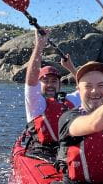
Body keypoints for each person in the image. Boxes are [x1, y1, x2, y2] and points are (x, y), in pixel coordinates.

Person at [23, 29, 78, 160]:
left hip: (68, 153)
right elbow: (31, 79)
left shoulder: (71, 100)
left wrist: (71, 68)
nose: (50, 85)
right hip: (42, 154)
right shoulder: (36, 103)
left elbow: (86, 88)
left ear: (60, 84)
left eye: (54, 81)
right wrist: (39, 46)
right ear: (39, 84)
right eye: (45, 81)